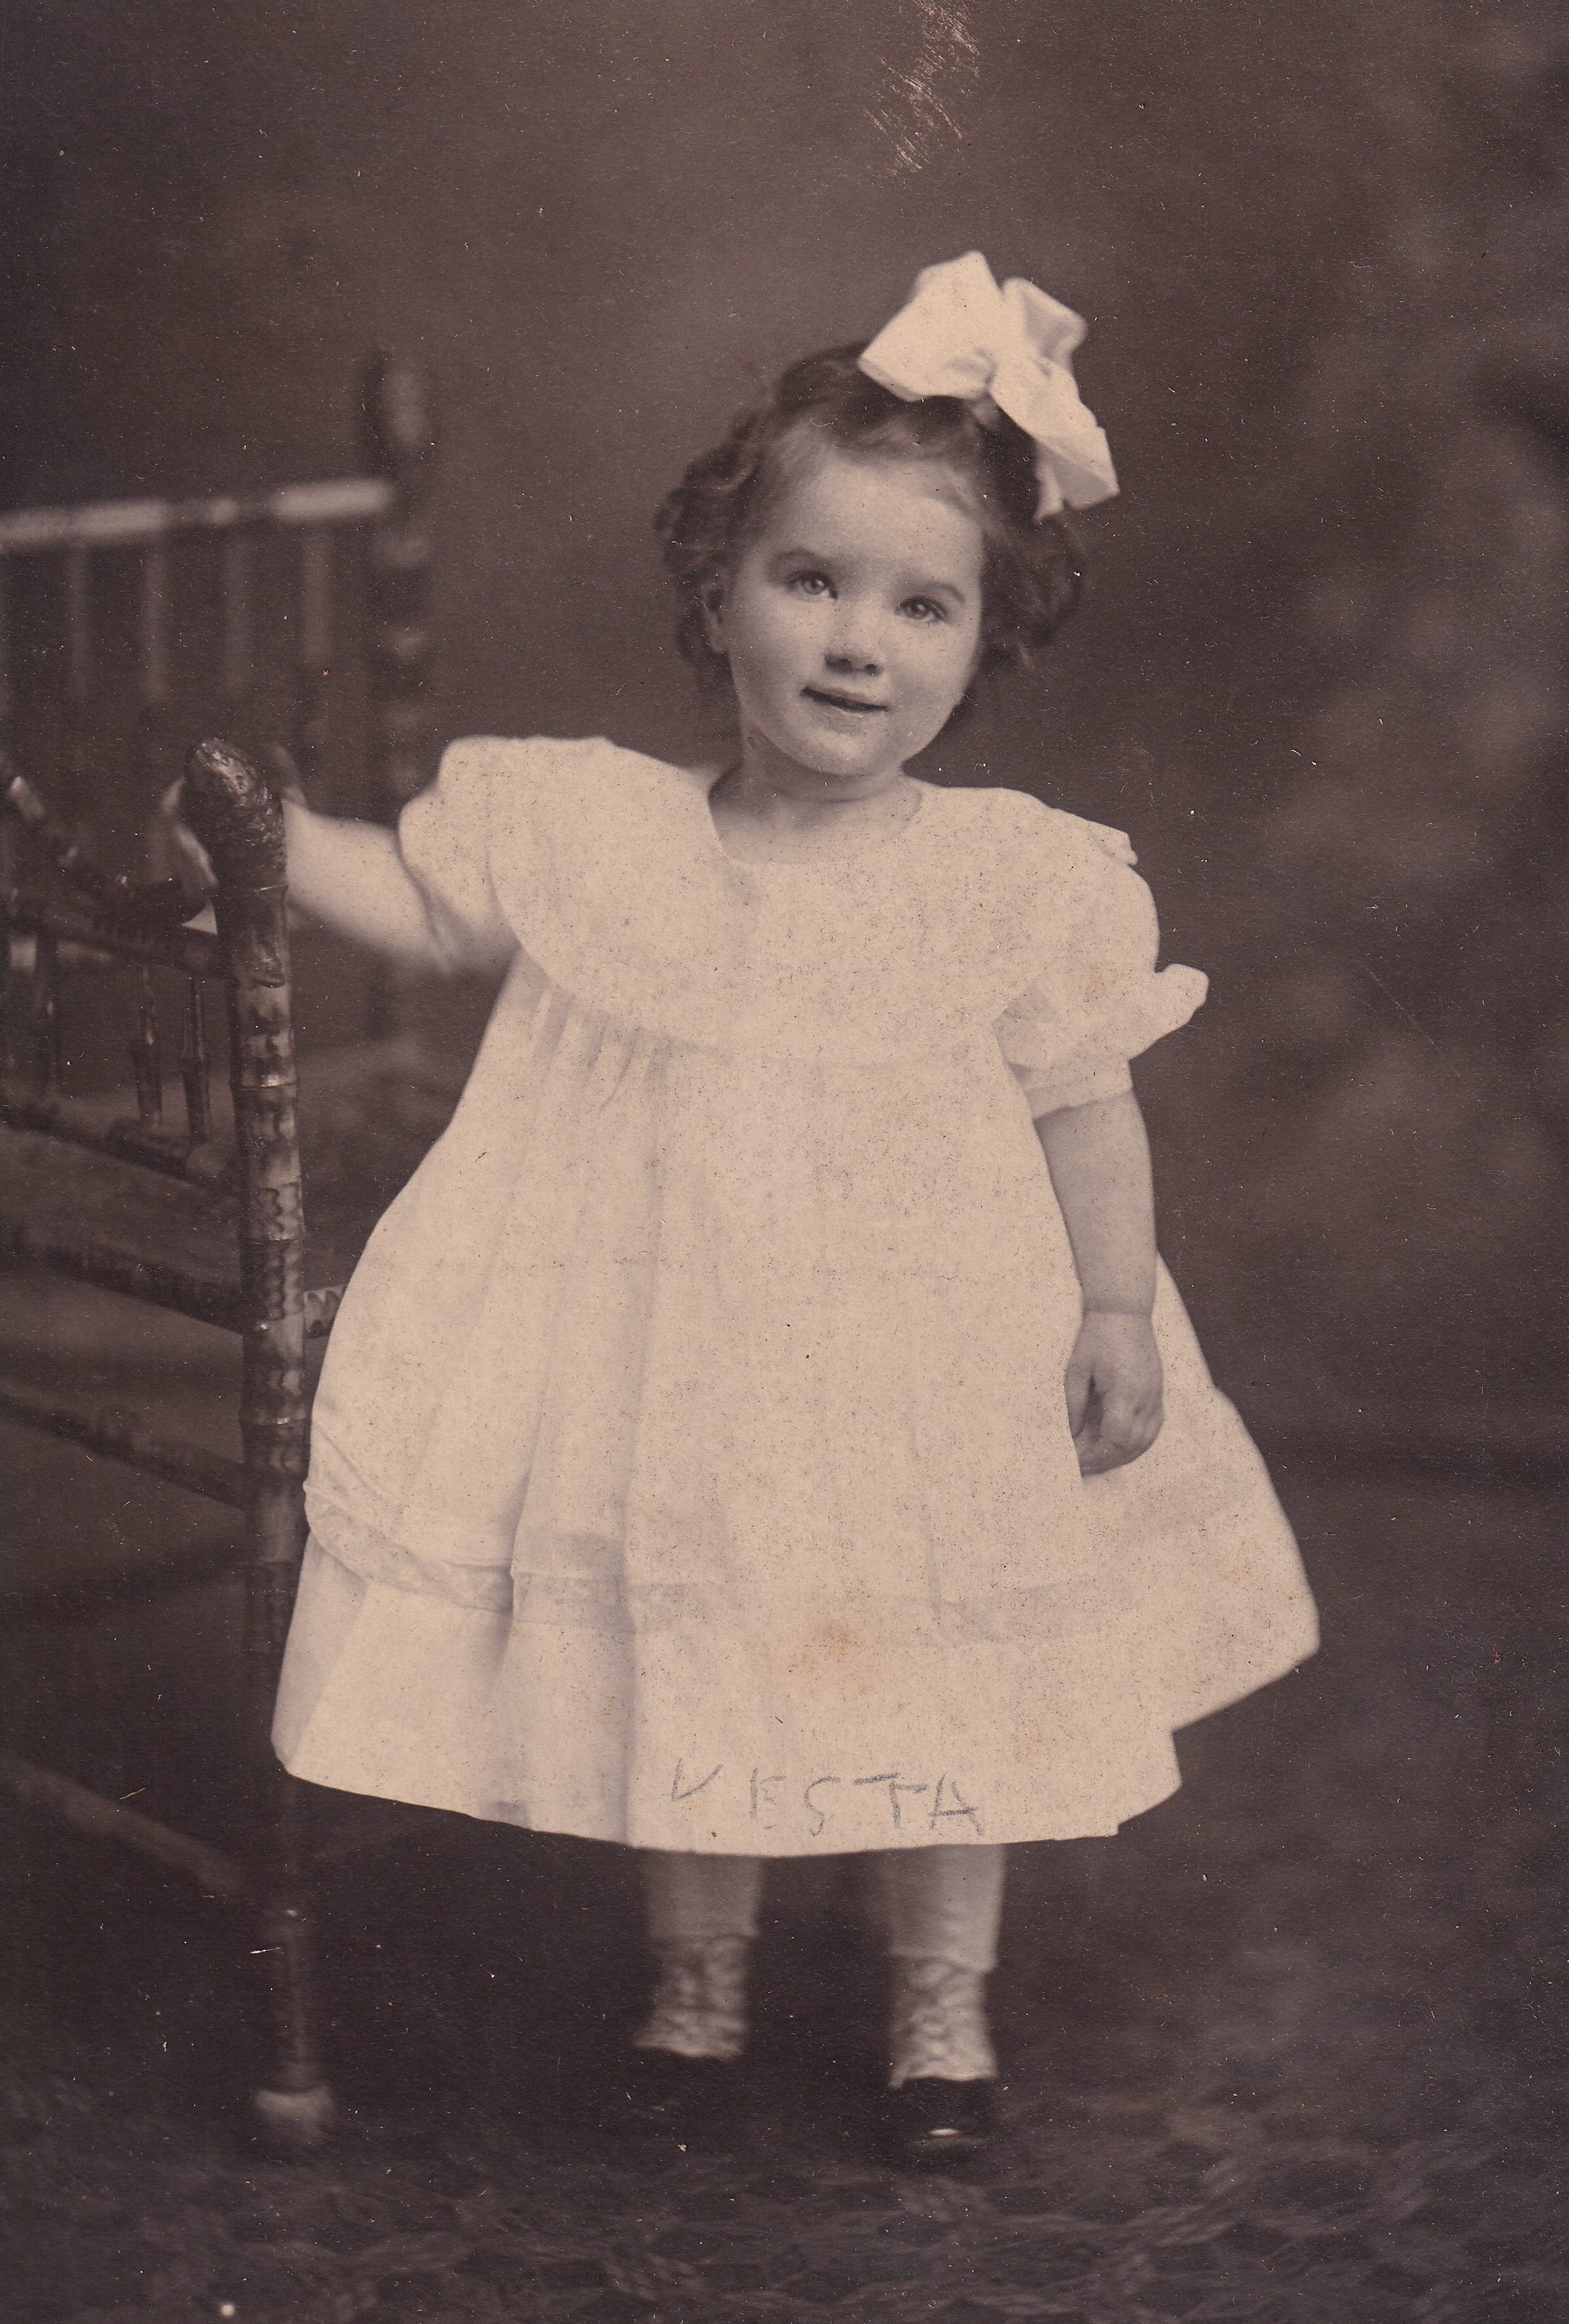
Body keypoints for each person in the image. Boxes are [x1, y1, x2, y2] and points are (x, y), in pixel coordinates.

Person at [182, 253, 1318, 2163]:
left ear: (983, 638)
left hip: (928, 1379)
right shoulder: (607, 838)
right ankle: (695, 1980)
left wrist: (1115, 1307)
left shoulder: (1007, 880)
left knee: (943, 1683)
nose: (860, 642)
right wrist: (266, 837)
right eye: (812, 581)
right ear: (718, 598)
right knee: (694, 1646)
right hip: (687, 1368)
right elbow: (427, 904)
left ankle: (940, 2004)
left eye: (922, 603)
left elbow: (1086, 1098)